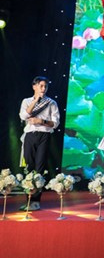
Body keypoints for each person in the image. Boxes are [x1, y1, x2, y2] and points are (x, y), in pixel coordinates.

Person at [18, 76, 60, 211]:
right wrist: (35, 100)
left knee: (39, 167)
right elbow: (23, 116)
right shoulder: (26, 101)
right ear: (34, 87)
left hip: (44, 136)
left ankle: (36, 201)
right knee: (29, 167)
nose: (44, 88)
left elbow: (55, 123)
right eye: (41, 86)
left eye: (45, 86)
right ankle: (28, 200)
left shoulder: (51, 103)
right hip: (30, 136)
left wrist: (41, 122)